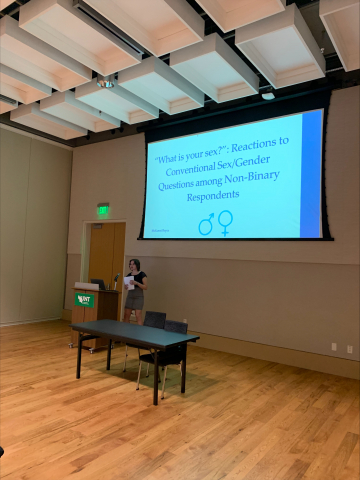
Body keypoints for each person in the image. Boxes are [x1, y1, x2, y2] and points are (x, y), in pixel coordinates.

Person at [124, 259, 147, 325]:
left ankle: (140, 333)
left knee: (138, 315)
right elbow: (127, 287)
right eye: (130, 264)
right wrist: (126, 287)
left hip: (138, 296)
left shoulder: (142, 274)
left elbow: (145, 287)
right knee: (126, 315)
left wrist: (136, 283)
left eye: (133, 264)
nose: (131, 266)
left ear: (137, 265)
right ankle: (125, 332)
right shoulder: (128, 275)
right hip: (130, 295)